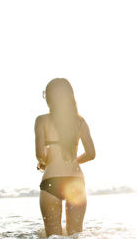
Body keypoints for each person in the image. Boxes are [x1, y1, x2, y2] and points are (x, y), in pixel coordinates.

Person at [35, 78, 96, 236]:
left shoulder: (41, 120)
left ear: (49, 97)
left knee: (53, 235)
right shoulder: (79, 121)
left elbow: (40, 154)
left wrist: (43, 163)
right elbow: (91, 154)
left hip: (51, 181)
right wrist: (75, 160)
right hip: (75, 181)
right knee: (75, 234)